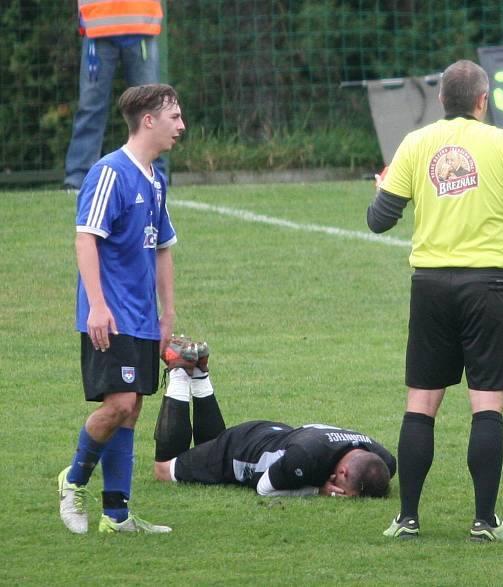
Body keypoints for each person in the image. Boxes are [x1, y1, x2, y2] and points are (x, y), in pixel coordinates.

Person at [366, 59, 503, 540]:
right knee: (486, 404)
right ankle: (484, 521)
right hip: (489, 286)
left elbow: (378, 220)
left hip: (429, 286)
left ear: (441, 100)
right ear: (483, 101)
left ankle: (407, 518)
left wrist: (381, 189)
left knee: (421, 404)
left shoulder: (415, 143)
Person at [58, 83, 185, 535]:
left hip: (143, 319)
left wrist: (167, 313)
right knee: (119, 404)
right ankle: (72, 481)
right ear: (148, 120)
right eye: (174, 117)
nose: (181, 126)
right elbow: (85, 237)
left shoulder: (155, 179)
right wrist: (96, 306)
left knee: (132, 411)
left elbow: (163, 249)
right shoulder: (110, 172)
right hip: (109, 315)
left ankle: (116, 515)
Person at [152, 337, 396, 498]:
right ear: (341, 473)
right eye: (343, 491)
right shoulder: (305, 458)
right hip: (241, 448)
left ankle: (198, 370)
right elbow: (264, 488)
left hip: (276, 433)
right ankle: (179, 371)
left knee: (207, 446)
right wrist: (317, 490)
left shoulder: (385, 460)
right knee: (164, 471)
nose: (338, 492)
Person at [63, 0, 164, 190]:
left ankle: (153, 174)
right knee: (92, 107)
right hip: (102, 24)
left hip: (137, 22)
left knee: (149, 108)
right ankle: (79, 176)